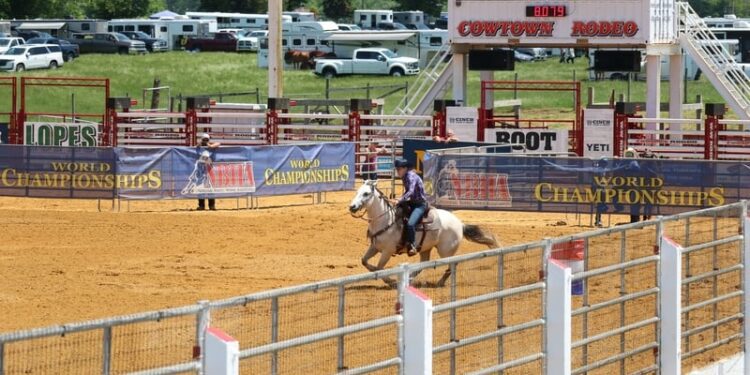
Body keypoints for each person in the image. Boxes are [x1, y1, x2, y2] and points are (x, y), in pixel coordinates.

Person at [395, 158, 428, 257]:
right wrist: (400, 199)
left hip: (419, 204)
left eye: (399, 169)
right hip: (412, 203)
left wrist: (400, 200)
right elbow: (407, 192)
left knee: (410, 224)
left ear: (405, 168)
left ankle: (413, 245)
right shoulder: (404, 176)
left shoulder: (410, 176)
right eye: (397, 169)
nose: (397, 171)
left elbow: (411, 191)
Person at [196, 133, 220, 211]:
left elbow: (218, 143)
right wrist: (200, 144)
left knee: (211, 188)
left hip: (210, 171)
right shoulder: (199, 146)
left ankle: (212, 206)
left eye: (207, 139)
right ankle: (201, 205)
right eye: (204, 139)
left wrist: (210, 146)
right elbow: (196, 146)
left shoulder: (210, 146)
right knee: (200, 188)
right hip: (201, 170)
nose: (205, 141)